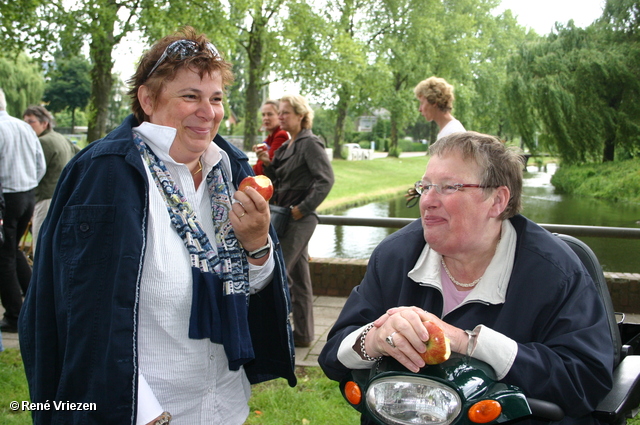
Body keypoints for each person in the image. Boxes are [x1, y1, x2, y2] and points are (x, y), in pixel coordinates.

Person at [19, 27, 296, 424]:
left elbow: (250, 288)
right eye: (190, 96)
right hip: (139, 409)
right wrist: (142, 410)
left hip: (225, 405)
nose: (209, 111)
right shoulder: (107, 175)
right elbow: (82, 312)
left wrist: (256, 246)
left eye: (216, 98)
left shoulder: (230, 170)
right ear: (147, 99)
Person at [319, 131, 614, 425]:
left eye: (449, 187)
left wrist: (468, 342)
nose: (428, 201)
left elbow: (585, 381)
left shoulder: (555, 271)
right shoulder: (395, 256)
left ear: (497, 200)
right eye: (425, 186)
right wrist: (373, 339)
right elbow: (333, 356)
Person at [259, 94, 334, 348]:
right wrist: (267, 163)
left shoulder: (310, 144)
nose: (280, 117)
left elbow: (326, 180)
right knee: (300, 279)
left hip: (300, 219)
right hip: (285, 217)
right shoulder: (287, 147)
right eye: (279, 112)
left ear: (301, 115)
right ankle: (303, 335)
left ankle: (275, 332)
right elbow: (277, 180)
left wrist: (304, 208)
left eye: (285, 113)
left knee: (278, 273)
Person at [0, 88, 46, 334]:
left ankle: (15, 314)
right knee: (13, 249)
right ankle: (32, 297)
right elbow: (41, 164)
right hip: (27, 193)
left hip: (7, 195)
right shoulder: (23, 127)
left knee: (4, 256)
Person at [23, 105, 80, 252]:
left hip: (45, 199)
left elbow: (32, 172)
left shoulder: (43, 142)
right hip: (64, 198)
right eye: (25, 122)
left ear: (44, 123)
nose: (27, 126)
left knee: (40, 247)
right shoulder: (62, 138)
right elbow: (80, 156)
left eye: (31, 121)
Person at [414, 76, 466, 140]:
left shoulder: (454, 133)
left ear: (433, 102)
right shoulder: (446, 131)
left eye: (422, 103)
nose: (420, 109)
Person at [252, 99, 289, 175]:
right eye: (263, 115)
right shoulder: (269, 139)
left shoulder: (281, 135)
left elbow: (266, 168)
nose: (266, 118)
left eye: (270, 114)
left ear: (279, 115)